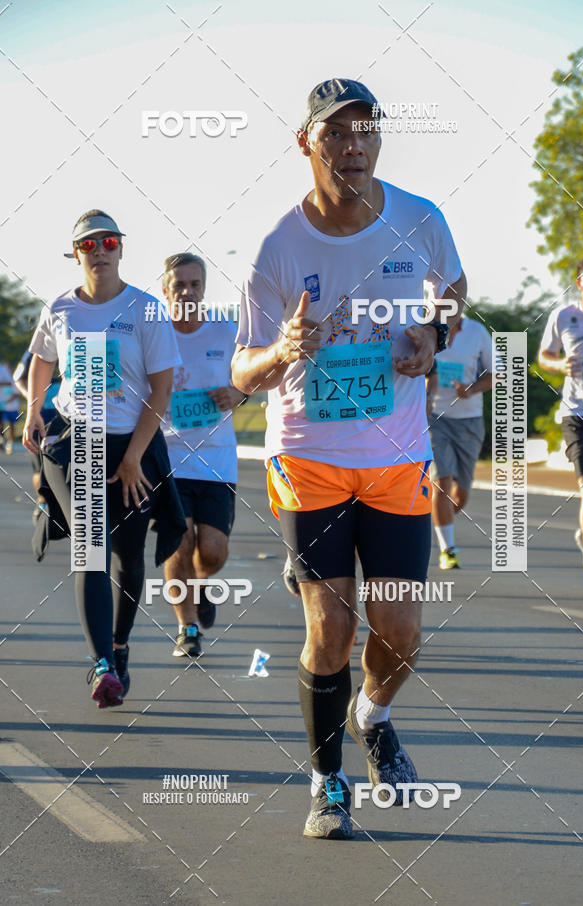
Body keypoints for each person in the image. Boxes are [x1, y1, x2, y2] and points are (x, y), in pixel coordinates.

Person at [232, 78, 466, 839]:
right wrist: (281, 349)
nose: (353, 144)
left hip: (398, 456)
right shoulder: (278, 246)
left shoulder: (420, 220)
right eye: (335, 132)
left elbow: (455, 292)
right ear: (307, 143)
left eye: (366, 129)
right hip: (310, 455)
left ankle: (374, 716)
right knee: (330, 628)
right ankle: (326, 781)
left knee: (399, 629)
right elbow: (239, 373)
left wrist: (435, 336)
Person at [23, 209, 186, 707]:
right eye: (89, 245)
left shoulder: (146, 309)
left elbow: (161, 391)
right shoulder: (60, 309)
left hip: (133, 443)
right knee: (89, 549)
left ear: (121, 248)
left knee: (128, 557)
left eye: (108, 242)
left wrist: (135, 457)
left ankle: (118, 645)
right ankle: (102, 666)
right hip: (79, 443)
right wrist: (34, 409)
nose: (100, 251)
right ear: (76, 254)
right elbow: (42, 364)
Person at [160, 252, 246, 657]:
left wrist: (238, 394)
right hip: (167, 457)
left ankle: (198, 584)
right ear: (165, 289)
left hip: (216, 459)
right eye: (179, 284)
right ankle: (187, 627)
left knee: (212, 550)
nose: (187, 292)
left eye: (194, 284)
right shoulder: (154, 334)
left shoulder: (224, 331)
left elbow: (250, 378)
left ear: (204, 288)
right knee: (179, 542)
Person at [538, 254, 583, 592]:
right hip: (579, 414)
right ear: (580, 283)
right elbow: (544, 356)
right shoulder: (564, 316)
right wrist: (560, 366)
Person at [427, 314, 493, 568]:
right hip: (434, 418)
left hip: (469, 420)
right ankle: (448, 549)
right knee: (441, 482)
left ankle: (438, 519)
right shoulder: (422, 329)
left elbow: (497, 373)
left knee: (460, 496)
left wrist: (471, 389)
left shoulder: (477, 332)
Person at [14, 350, 61, 518]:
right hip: (39, 419)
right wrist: (33, 398)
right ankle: (42, 501)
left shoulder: (74, 342)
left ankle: (62, 503)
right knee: (39, 466)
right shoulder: (34, 351)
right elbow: (17, 377)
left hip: (65, 418)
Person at [0, 362, 20, 453]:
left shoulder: (14, 381)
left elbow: (16, 394)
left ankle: (10, 443)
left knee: (12, 426)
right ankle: (2, 441)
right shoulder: (5, 381)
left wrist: (8, 401)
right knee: (2, 424)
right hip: (3, 407)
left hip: (12, 408)